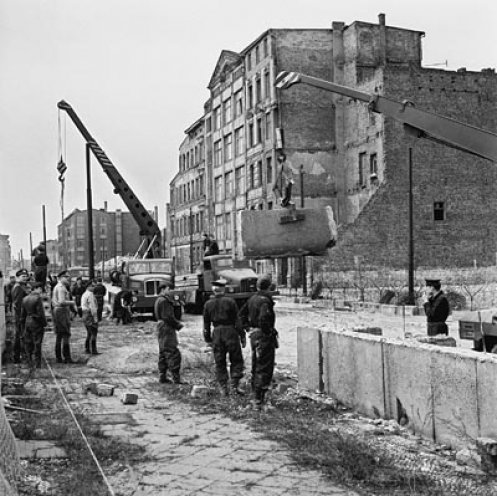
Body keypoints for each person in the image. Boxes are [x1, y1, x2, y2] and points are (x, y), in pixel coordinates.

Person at [239, 274, 278, 410]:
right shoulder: (265, 301)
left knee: (256, 365)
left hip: (254, 335)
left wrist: (247, 327)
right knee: (264, 366)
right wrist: (268, 332)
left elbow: (241, 314)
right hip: (263, 336)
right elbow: (264, 318)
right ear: (269, 287)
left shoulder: (252, 299)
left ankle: (256, 396)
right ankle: (258, 400)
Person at [203, 279, 245, 396]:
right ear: (223, 289)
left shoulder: (208, 304)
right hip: (230, 332)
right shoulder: (230, 302)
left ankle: (223, 388)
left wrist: (208, 339)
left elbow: (206, 324)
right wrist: (242, 336)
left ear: (214, 290)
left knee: (219, 361)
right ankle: (234, 385)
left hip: (216, 333)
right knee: (236, 359)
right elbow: (238, 321)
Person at [154, 282, 184, 384]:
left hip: (161, 327)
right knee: (172, 352)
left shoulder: (159, 300)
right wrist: (178, 325)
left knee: (163, 352)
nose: (170, 291)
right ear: (163, 289)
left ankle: (162, 376)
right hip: (167, 327)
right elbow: (167, 316)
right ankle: (176, 378)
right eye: (169, 289)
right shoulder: (164, 301)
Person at [52, 271, 78, 363]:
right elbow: (62, 302)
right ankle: (67, 358)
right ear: (61, 278)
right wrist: (73, 302)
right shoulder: (61, 288)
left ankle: (59, 357)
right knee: (65, 334)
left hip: (59, 311)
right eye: (66, 277)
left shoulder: (59, 287)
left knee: (59, 335)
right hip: (61, 311)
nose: (68, 278)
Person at [20, 282, 47, 368]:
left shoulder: (25, 298)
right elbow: (40, 314)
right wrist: (44, 323)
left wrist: (23, 324)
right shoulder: (37, 298)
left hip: (28, 322)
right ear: (36, 288)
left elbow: (22, 315)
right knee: (37, 343)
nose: (41, 291)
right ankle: (37, 363)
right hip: (36, 323)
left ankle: (29, 361)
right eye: (40, 289)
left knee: (29, 343)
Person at [11, 269, 31, 363]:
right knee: (19, 336)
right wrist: (21, 317)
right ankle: (17, 357)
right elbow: (18, 305)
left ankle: (19, 356)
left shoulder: (20, 286)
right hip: (19, 316)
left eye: (26, 276)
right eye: (23, 276)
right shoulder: (18, 287)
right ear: (17, 277)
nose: (25, 278)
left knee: (20, 336)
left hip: (20, 315)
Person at [81, 280, 100, 355]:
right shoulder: (90, 295)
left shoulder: (84, 294)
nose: (94, 287)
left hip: (84, 314)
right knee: (94, 332)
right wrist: (95, 318)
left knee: (89, 333)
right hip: (90, 315)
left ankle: (87, 349)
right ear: (88, 286)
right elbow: (93, 308)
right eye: (93, 286)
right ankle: (94, 350)